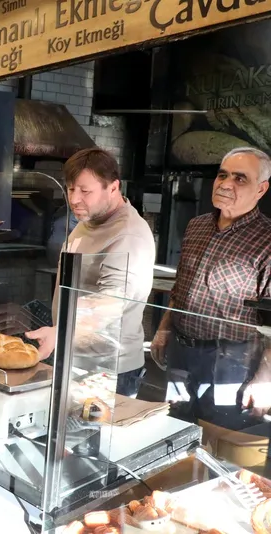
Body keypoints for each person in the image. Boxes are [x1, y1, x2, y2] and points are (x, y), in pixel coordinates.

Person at [151, 147, 271, 430]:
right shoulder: (197, 226)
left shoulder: (267, 240)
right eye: (222, 175)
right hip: (182, 350)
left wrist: (266, 377)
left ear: (261, 189)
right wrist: (164, 329)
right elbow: (181, 288)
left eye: (240, 178)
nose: (226, 184)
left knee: (221, 436)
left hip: (234, 361)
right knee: (174, 429)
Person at [26, 148, 156, 397]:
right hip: (76, 356)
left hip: (108, 369)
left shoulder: (129, 234)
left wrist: (60, 332)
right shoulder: (89, 221)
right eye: (71, 189)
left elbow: (111, 302)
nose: (74, 199)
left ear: (113, 188)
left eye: (85, 191)